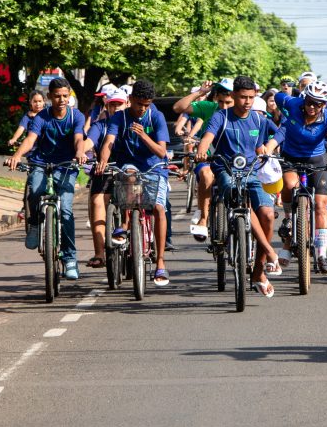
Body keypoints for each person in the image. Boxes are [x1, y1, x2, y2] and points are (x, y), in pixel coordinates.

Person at [196, 76, 282, 297]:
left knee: (268, 214)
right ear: (233, 96)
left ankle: (258, 270)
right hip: (226, 171)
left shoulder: (258, 120)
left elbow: (281, 132)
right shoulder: (221, 116)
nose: (247, 102)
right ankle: (271, 252)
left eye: (251, 98)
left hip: (252, 173)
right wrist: (202, 150)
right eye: (242, 97)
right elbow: (207, 137)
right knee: (236, 194)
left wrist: (270, 146)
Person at [6, 77, 87, 280]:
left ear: (70, 97)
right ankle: (34, 224)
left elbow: (79, 138)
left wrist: (79, 152)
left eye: (65, 96)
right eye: (57, 96)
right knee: (34, 190)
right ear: (49, 97)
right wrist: (17, 156)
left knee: (66, 210)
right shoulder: (41, 117)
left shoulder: (76, 116)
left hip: (67, 165)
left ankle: (70, 259)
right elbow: (30, 139)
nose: (61, 100)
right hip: (41, 162)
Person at [95, 79, 171, 286]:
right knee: (128, 174)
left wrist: (144, 135)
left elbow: (162, 152)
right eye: (139, 104)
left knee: (158, 208)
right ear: (130, 100)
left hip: (154, 168)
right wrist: (102, 160)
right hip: (130, 165)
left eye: (146, 105)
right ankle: (125, 223)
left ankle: (160, 261)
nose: (142, 109)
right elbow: (109, 141)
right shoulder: (119, 118)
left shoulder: (156, 117)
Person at [267, 80, 327, 274]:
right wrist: (284, 100)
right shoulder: (293, 104)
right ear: (305, 99)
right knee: (288, 184)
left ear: (324, 105)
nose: (312, 107)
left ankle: (321, 255)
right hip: (291, 158)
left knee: (320, 205)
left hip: (317, 160)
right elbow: (278, 97)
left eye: (318, 104)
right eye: (310, 102)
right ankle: (288, 217)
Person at [172, 79, 234, 241]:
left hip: (233, 162)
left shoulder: (243, 113)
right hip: (208, 159)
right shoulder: (209, 108)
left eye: (228, 102)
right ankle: (203, 218)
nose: (224, 106)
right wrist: (200, 92)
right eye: (220, 102)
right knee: (206, 174)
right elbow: (178, 107)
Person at [81, 89, 127, 269]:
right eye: (112, 104)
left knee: (135, 200)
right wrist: (81, 152)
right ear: (107, 106)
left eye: (119, 104)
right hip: (104, 170)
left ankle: (130, 231)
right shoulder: (100, 125)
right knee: (97, 201)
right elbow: (89, 142)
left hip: (129, 172)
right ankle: (99, 253)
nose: (116, 108)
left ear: (127, 104)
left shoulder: (133, 123)